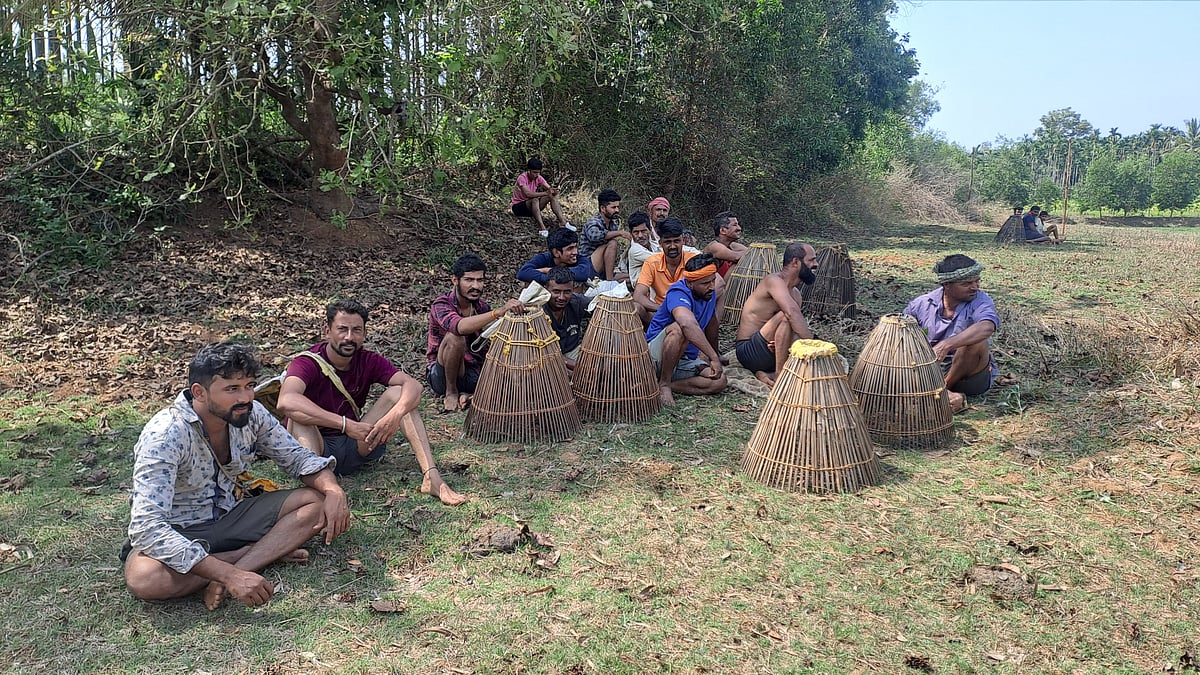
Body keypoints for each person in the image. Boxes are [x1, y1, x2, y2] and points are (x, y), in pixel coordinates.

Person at [123, 342, 350, 610]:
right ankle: (256, 554)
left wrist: (334, 491)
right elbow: (147, 528)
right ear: (200, 392)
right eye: (231, 389)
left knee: (317, 501)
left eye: (249, 386)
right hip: (182, 529)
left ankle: (239, 566)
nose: (245, 397)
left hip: (233, 514)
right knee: (144, 579)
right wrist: (230, 574)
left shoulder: (251, 413)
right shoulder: (164, 435)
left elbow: (297, 457)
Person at [277, 300, 466, 504]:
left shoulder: (368, 360)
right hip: (317, 447)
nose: (349, 337)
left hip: (355, 444)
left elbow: (413, 386)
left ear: (364, 333)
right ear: (327, 331)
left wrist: (394, 416)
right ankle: (320, 486)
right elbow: (286, 401)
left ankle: (432, 477)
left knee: (399, 394)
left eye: (356, 330)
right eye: (342, 329)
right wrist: (344, 424)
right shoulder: (307, 362)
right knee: (298, 416)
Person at [902, 254, 1001, 412]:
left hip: (969, 373)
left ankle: (939, 391)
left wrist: (947, 345)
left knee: (976, 342)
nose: (975, 287)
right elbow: (900, 332)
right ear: (947, 285)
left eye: (977, 281)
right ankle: (941, 393)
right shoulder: (921, 304)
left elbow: (987, 326)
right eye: (967, 283)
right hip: (930, 368)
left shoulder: (981, 300)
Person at [427, 253, 525, 412]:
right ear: (455, 280)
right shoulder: (441, 304)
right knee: (455, 337)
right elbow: (459, 327)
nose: (476, 286)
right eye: (469, 280)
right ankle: (451, 393)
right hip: (442, 376)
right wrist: (499, 312)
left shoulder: (482, 308)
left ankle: (471, 397)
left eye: (480, 280)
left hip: (471, 371)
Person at [645, 253, 728, 405]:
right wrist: (713, 358)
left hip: (683, 359)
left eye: (712, 281)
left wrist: (714, 356)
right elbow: (686, 324)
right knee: (680, 329)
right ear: (690, 283)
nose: (711, 286)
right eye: (705, 283)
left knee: (719, 381)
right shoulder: (677, 292)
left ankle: (663, 386)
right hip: (654, 357)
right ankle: (664, 384)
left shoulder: (709, 293)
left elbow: (712, 325)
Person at [735, 242, 818, 387]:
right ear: (796, 262)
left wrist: (787, 341)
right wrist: (813, 345)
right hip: (749, 351)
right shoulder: (773, 281)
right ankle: (780, 375)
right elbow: (791, 314)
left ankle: (766, 373)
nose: (815, 264)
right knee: (787, 315)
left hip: (771, 352)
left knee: (792, 321)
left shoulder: (796, 294)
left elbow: (795, 328)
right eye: (811, 260)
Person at [579, 189, 631, 281]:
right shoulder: (593, 222)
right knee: (612, 243)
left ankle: (608, 279)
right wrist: (620, 233)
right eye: (613, 207)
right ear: (603, 208)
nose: (617, 210)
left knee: (632, 278)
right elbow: (594, 236)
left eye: (617, 207)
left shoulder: (612, 225)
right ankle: (609, 282)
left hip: (602, 270)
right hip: (587, 265)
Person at [545, 267, 590, 371]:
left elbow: (600, 305)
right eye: (556, 292)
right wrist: (579, 367)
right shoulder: (538, 310)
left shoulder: (577, 302)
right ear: (546, 289)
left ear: (573, 290)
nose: (561, 297)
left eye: (567, 292)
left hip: (573, 351)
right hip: (545, 357)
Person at [510, 157, 569, 237]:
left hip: (532, 208)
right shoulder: (522, 178)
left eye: (538, 172)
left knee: (550, 197)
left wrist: (554, 191)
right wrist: (545, 193)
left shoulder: (538, 177)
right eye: (534, 172)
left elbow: (549, 188)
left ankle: (563, 222)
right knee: (535, 199)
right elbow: (528, 194)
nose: (536, 175)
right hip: (518, 207)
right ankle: (542, 228)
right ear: (529, 170)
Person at [517, 227, 594, 286]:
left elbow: (583, 273)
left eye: (575, 247)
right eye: (570, 249)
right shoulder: (543, 258)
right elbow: (523, 273)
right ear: (556, 252)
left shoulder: (581, 259)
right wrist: (553, 278)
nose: (575, 252)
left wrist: (548, 271)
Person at [702, 211, 748, 277]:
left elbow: (753, 254)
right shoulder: (714, 246)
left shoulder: (733, 245)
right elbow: (737, 257)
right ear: (723, 230)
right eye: (735, 225)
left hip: (727, 284)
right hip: (715, 285)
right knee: (738, 263)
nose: (739, 228)